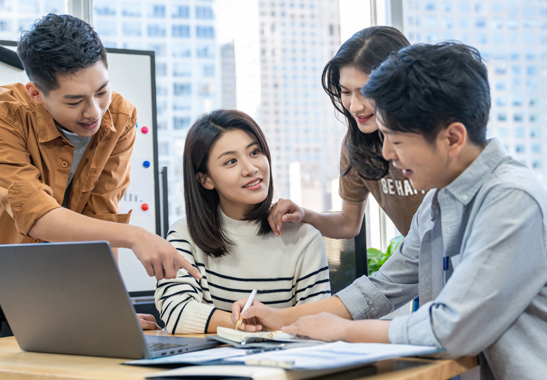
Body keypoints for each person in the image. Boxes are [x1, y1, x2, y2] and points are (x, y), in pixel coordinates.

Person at [232, 42, 547, 380]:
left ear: (453, 138)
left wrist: (342, 330)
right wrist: (283, 318)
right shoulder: (437, 202)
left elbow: (449, 328)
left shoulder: (511, 199)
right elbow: (382, 287)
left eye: (396, 140)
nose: (386, 153)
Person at [0, 14, 198, 345]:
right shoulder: (0, 114)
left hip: (43, 293)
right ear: (36, 93)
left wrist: (108, 307)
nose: (93, 111)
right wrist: (135, 236)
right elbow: (36, 215)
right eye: (74, 101)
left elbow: (101, 217)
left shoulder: (121, 118)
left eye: (101, 91)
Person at [155, 109, 331, 334]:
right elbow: (176, 312)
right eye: (231, 161)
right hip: (210, 367)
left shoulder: (303, 238)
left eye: (255, 152)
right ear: (206, 179)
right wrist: (242, 322)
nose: (250, 168)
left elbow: (317, 323)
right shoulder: (185, 234)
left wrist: (243, 323)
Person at [268, 26, 425, 239]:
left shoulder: (434, 138)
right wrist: (305, 215)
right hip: (422, 261)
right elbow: (349, 223)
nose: (354, 106)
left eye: (366, 92)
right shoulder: (357, 144)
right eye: (346, 92)